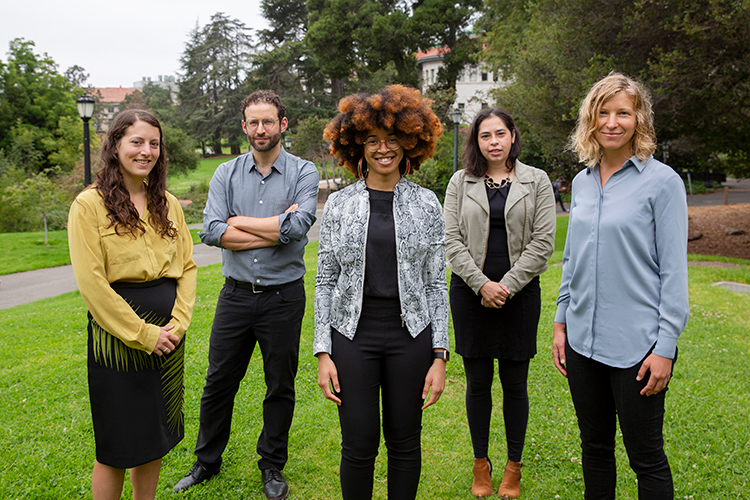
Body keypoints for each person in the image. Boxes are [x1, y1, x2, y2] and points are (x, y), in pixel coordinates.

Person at [173, 90, 319, 500]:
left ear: (282, 124)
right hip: (234, 297)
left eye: (268, 121)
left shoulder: (303, 172)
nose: (260, 129)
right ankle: (206, 461)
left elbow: (297, 229)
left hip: (283, 298)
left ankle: (272, 465)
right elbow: (212, 232)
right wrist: (273, 228)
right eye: (253, 122)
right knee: (219, 381)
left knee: (280, 385)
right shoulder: (226, 173)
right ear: (244, 126)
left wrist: (240, 222)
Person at [552, 72, 689, 499]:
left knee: (646, 458)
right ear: (589, 121)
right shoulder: (581, 182)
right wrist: (560, 322)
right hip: (582, 344)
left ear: (639, 119)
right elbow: (572, 258)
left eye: (623, 113)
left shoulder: (662, 182)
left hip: (638, 347)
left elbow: (674, 272)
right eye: (603, 113)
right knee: (594, 449)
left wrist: (665, 347)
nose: (612, 122)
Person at [314, 84, 449, 500]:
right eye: (373, 141)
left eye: (393, 140)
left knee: (405, 442)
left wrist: (440, 354)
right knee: (358, 444)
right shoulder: (338, 205)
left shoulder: (427, 204)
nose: (383, 149)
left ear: (411, 142)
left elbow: (435, 283)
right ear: (357, 146)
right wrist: (323, 351)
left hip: (410, 335)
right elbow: (325, 280)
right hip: (353, 335)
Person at [68, 109, 197, 500]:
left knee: (153, 437)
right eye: (136, 142)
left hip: (169, 340)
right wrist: (143, 334)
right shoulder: (88, 205)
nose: (146, 151)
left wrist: (177, 323)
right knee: (117, 445)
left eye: (153, 143)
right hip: (119, 340)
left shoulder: (168, 203)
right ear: (116, 145)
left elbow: (187, 265)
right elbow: (92, 283)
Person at [444, 108, 556, 499]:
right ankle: (481, 464)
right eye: (485, 136)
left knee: (515, 384)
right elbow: (451, 240)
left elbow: (543, 243)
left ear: (512, 136)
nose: (493, 142)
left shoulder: (536, 180)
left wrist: (505, 285)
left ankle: (513, 466)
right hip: (470, 294)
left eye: (500, 134)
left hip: (519, 295)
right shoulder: (461, 182)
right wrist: (481, 285)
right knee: (477, 384)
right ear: (476, 141)